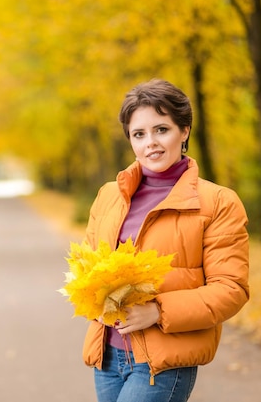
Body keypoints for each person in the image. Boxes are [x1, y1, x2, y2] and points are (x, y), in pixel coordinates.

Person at [81, 78, 250, 402]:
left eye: (162, 129)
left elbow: (232, 289)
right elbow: (88, 268)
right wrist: (94, 301)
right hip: (108, 357)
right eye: (139, 134)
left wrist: (158, 311)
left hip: (164, 360)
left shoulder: (218, 202)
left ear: (184, 130)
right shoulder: (108, 196)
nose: (150, 144)